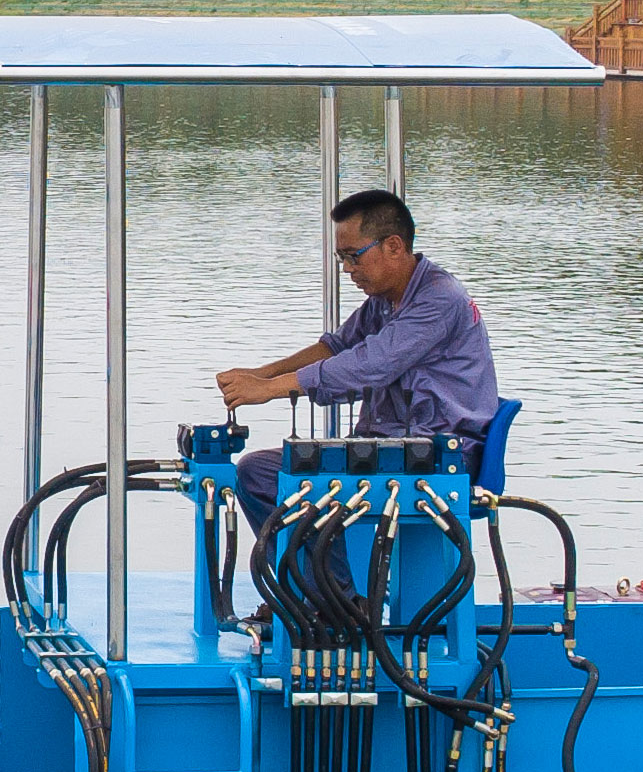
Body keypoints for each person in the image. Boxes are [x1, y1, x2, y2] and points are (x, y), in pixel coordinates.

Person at [214, 190, 500, 533]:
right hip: (393, 449)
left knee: (263, 476)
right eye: (342, 258)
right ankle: (316, 583)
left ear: (393, 246)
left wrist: (272, 388)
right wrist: (262, 373)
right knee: (258, 471)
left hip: (439, 456)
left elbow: (370, 364)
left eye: (354, 256)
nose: (348, 269)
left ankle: (334, 587)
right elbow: (337, 348)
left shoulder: (438, 299)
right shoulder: (385, 299)